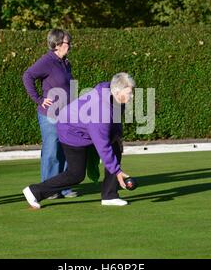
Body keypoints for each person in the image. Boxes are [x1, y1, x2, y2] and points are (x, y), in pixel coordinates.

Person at [22, 72, 135, 209]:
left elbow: (115, 121)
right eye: (129, 92)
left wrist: (117, 136)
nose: (132, 96)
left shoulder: (115, 97)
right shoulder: (100, 112)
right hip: (70, 131)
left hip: (84, 127)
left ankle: (109, 196)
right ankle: (34, 191)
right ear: (117, 91)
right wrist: (117, 172)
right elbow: (103, 146)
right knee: (76, 174)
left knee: (115, 146)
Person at [22, 29, 77, 199]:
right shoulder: (47, 61)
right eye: (68, 42)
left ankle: (65, 187)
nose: (70, 46)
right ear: (58, 44)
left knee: (66, 151)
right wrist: (39, 99)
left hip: (67, 115)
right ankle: (48, 189)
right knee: (52, 152)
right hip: (50, 115)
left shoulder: (65, 63)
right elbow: (28, 76)